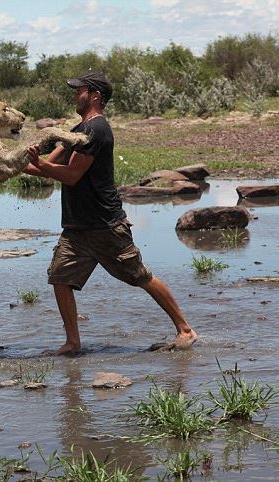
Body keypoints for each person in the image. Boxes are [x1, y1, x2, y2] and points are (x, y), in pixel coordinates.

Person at [24, 71, 197, 355]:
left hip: (104, 226)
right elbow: (40, 166)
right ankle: (72, 343)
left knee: (140, 276)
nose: (74, 95)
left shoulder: (97, 130)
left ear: (95, 96)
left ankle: (185, 329)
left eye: (78, 90)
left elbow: (70, 175)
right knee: (60, 278)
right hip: (78, 228)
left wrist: (38, 165)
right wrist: (10, 163)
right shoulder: (76, 132)